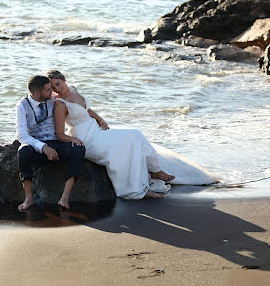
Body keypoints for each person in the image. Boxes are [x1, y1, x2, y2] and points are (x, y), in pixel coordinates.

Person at [47, 69, 215, 201]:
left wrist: (101, 120)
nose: (57, 89)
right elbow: (60, 134)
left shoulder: (74, 90)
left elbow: (87, 110)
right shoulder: (60, 104)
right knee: (130, 138)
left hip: (96, 130)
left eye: (58, 84)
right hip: (86, 138)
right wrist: (73, 139)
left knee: (135, 135)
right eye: (53, 87)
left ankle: (154, 172)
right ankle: (137, 189)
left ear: (64, 79)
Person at [16, 75, 86, 210]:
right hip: (36, 145)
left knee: (79, 148)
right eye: (48, 89)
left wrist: (98, 119)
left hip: (56, 143)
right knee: (23, 151)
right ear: (37, 93)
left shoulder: (53, 98)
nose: (52, 91)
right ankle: (28, 199)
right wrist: (43, 147)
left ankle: (64, 197)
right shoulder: (22, 106)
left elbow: (78, 106)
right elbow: (22, 135)